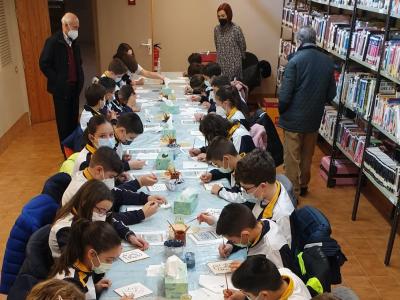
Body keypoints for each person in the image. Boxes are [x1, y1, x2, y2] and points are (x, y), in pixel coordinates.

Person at [278, 26, 336, 197]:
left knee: (292, 156)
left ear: (299, 41)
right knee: (307, 154)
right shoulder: (327, 62)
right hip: (313, 118)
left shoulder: (295, 61)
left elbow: (285, 95)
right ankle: (303, 185)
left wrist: (283, 111)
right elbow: (332, 94)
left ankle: (292, 192)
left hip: (293, 119)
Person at [62, 147, 164, 223]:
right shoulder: (83, 189)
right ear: (99, 170)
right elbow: (105, 220)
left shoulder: (89, 176)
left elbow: (115, 193)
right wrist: (141, 214)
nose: (111, 180)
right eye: (111, 176)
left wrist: (146, 197)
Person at [50, 180, 149, 259]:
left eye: (106, 211)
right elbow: (75, 261)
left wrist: (129, 236)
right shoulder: (65, 228)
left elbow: (112, 222)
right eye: (101, 210)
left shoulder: (89, 214)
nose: (103, 215)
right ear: (85, 203)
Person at [50, 219, 133, 300]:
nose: (110, 264)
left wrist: (94, 289)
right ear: (92, 254)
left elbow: (82, 292)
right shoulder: (70, 284)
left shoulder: (83, 264)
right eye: (108, 260)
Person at [39, 13, 84, 156]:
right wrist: (58, 80)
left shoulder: (74, 42)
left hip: (74, 89)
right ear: (65, 26)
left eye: (78, 28)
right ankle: (67, 156)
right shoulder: (53, 42)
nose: (76, 30)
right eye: (74, 27)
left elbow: (78, 62)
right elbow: (44, 64)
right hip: (61, 90)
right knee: (64, 125)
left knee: (73, 122)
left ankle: (75, 152)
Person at [235, 149, 295, 245]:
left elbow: (282, 254)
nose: (244, 192)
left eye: (246, 189)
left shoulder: (281, 216)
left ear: (262, 186)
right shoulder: (267, 192)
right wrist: (233, 244)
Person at [215, 203, 295, 272]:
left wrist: (249, 271)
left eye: (233, 241)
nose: (232, 242)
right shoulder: (261, 223)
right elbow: (244, 239)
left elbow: (281, 281)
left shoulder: (272, 250)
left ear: (245, 235)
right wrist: (231, 246)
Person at [227, 255, 311, 300]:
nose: (247, 296)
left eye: (248, 295)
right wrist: (244, 296)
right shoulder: (282, 272)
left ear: (264, 295)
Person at [200, 137, 254, 204]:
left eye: (217, 164)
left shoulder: (246, 172)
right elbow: (227, 173)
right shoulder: (236, 162)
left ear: (226, 159)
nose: (218, 167)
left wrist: (220, 191)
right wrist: (212, 175)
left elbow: (243, 199)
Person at [190, 114, 255, 161]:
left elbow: (234, 165)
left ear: (214, 133)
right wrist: (201, 150)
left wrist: (212, 159)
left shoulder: (238, 136)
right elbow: (218, 146)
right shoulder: (226, 131)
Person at [214, 3, 246, 80]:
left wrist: (242, 59)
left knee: (232, 88)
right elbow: (217, 45)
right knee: (221, 85)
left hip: (234, 64)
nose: (220, 18)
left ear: (228, 15)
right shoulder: (216, 29)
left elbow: (243, 46)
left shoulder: (236, 29)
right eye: (218, 16)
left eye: (223, 16)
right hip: (221, 62)